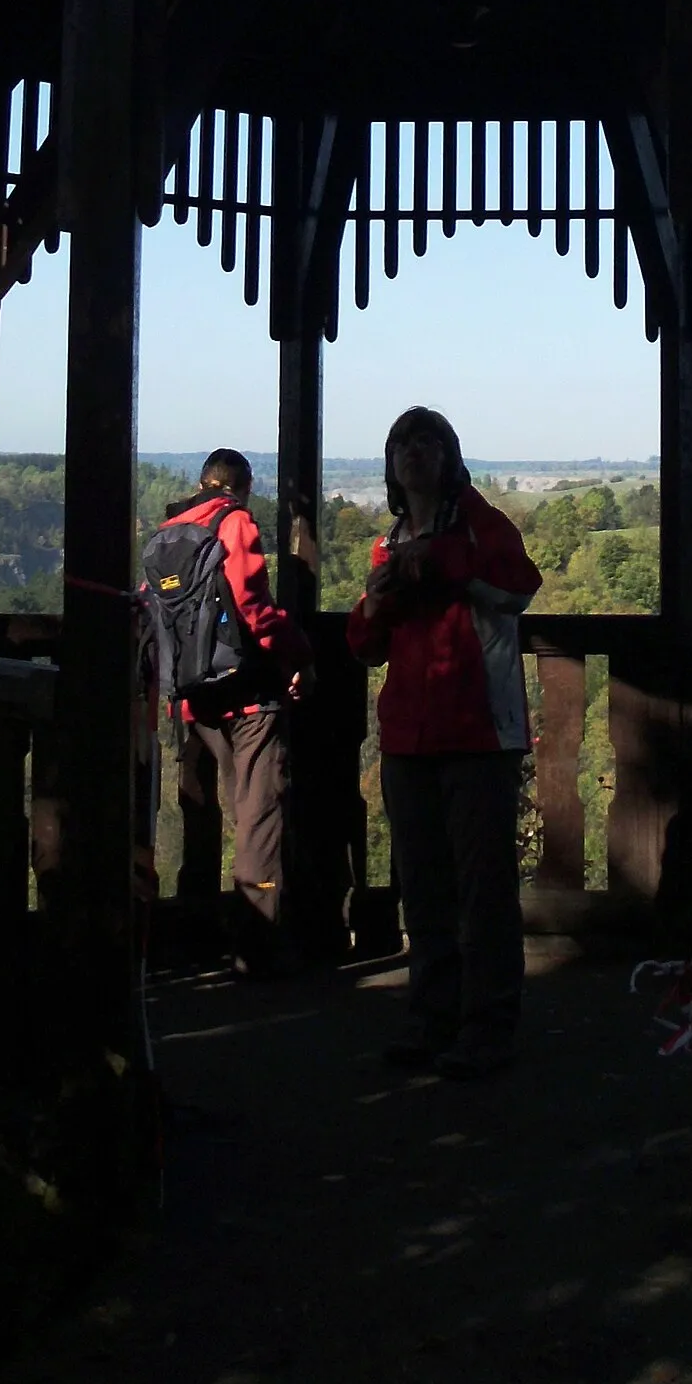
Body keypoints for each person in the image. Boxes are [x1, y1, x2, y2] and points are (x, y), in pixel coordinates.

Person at [347, 407, 542, 1077]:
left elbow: (519, 585)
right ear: (392, 461)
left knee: (483, 888)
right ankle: (433, 1020)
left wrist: (436, 562)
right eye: (403, 440)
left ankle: (488, 1027)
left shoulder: (482, 525)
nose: (415, 451)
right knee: (426, 888)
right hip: (409, 737)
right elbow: (366, 646)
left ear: (449, 456)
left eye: (428, 440)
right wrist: (374, 604)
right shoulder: (387, 544)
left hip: (479, 734)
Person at [147, 449, 312, 975]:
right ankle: (256, 946)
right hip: (245, 695)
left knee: (201, 817)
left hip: (192, 699)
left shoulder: (168, 531)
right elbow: (253, 608)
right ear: (241, 486)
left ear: (201, 482)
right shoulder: (235, 524)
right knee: (258, 817)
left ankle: (192, 942)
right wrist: (298, 649)